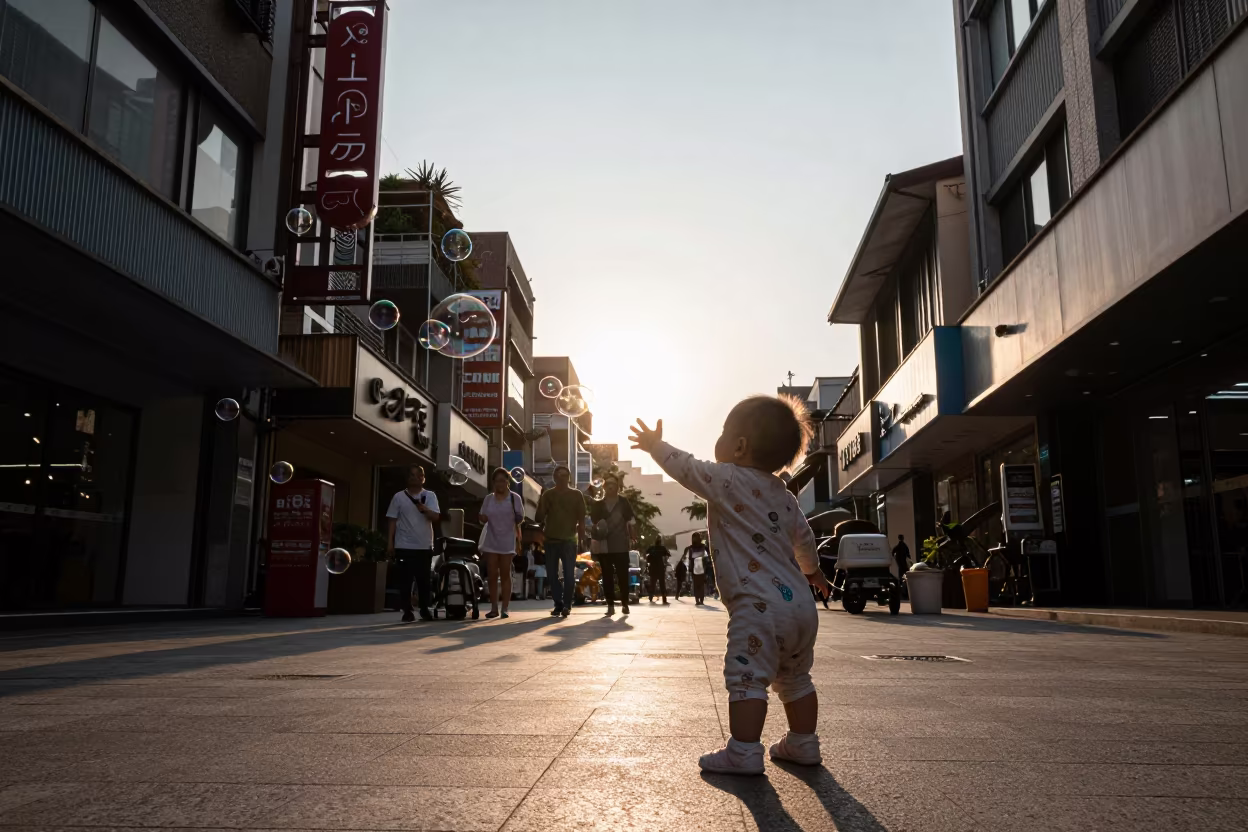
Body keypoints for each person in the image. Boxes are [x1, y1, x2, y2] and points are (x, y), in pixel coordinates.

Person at [629, 395, 830, 775]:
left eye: (723, 433)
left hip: (757, 607)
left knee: (748, 676)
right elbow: (803, 540)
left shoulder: (727, 478)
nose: (717, 440)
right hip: (801, 607)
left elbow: (686, 467)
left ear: (739, 446)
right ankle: (803, 743)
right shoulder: (784, 496)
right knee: (796, 677)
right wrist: (813, 573)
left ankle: (743, 751)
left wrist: (655, 446)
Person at [386, 464, 441, 623]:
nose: (414, 478)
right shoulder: (398, 497)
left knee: (424, 580)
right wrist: (390, 543)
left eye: (418, 475)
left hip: (424, 545)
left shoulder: (430, 496)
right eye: (411, 475)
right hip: (403, 545)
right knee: (405, 581)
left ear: (423, 478)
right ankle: (407, 611)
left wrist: (425, 509)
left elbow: (436, 517)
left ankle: (424, 610)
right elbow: (392, 520)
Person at [535, 465, 586, 618]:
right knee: (551, 575)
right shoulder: (548, 495)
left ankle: (567, 605)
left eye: (565, 475)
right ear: (554, 478)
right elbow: (538, 518)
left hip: (570, 541)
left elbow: (582, 520)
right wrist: (542, 502)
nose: (562, 478)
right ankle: (558, 604)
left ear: (569, 477)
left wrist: (582, 539)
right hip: (551, 541)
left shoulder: (577, 495)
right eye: (559, 475)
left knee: (569, 575)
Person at [479, 467, 523, 619]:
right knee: (492, 575)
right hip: (491, 540)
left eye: (503, 480)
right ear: (493, 483)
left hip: (507, 540)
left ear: (508, 482)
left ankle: (505, 608)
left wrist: (518, 518)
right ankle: (493, 608)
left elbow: (520, 516)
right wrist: (482, 518)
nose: (500, 483)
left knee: (505, 574)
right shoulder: (488, 499)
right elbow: (482, 515)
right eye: (497, 481)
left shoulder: (514, 498)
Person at [589, 473, 636, 616]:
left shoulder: (623, 502)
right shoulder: (598, 504)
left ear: (617, 487)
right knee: (607, 576)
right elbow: (593, 522)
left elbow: (631, 520)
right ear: (603, 487)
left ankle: (625, 603)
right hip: (604, 546)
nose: (610, 486)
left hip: (621, 545)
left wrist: (633, 535)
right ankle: (610, 604)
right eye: (608, 484)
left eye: (613, 484)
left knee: (623, 575)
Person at [685, 532, 710, 605]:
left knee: (700, 584)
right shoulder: (693, 548)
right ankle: (698, 600)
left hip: (701, 568)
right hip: (696, 568)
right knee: (697, 584)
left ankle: (700, 600)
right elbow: (690, 559)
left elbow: (708, 557)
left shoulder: (702, 547)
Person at [646, 538, 670, 603]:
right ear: (660, 542)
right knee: (662, 584)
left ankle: (651, 597)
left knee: (652, 583)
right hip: (660, 568)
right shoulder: (662, 548)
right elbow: (668, 554)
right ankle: (664, 598)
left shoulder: (651, 548)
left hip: (653, 568)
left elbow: (646, 553)